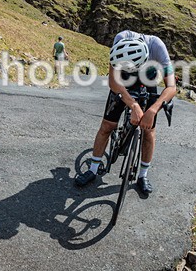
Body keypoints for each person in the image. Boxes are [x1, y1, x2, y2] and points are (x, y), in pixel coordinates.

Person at [75, 31, 176, 195]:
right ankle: (93, 169)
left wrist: (152, 110)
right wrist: (134, 105)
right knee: (107, 126)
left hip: (147, 81)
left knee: (149, 131)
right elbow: (113, 82)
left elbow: (171, 87)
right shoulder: (120, 40)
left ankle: (143, 175)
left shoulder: (157, 47)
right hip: (122, 81)